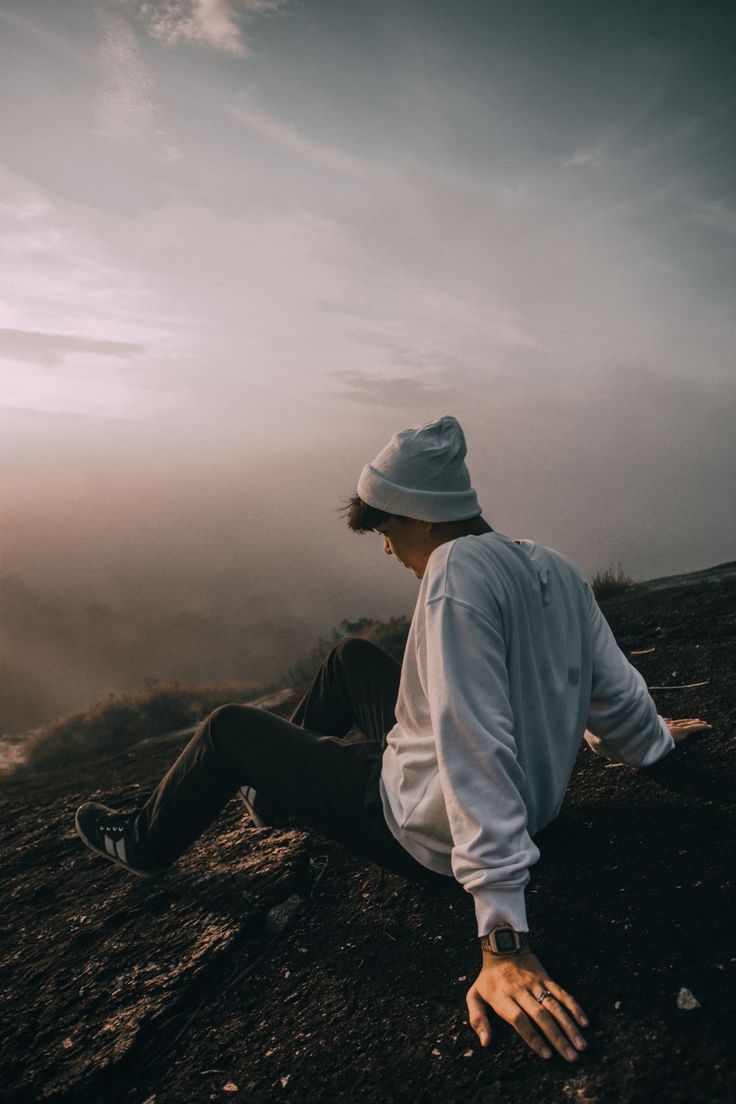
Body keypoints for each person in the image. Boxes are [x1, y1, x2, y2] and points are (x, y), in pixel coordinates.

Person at [75, 414, 710, 1064]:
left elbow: (474, 739)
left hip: (420, 828)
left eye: (388, 528)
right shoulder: (555, 566)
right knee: (349, 658)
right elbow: (612, 686)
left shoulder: (454, 576)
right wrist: (652, 741)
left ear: (424, 516)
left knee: (226, 730)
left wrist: (503, 941)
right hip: (531, 807)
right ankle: (271, 797)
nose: (385, 548)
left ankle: (144, 843)